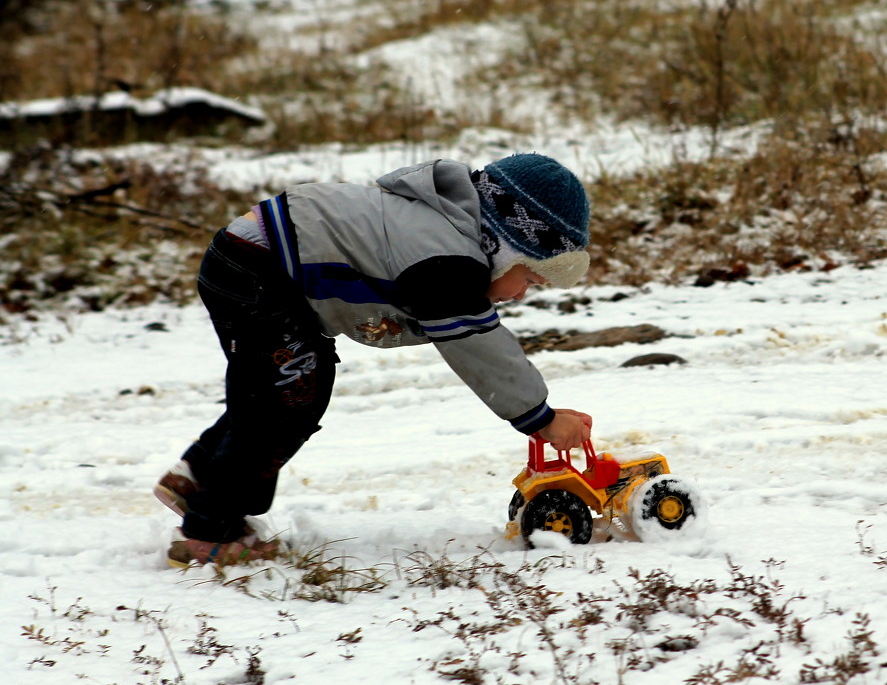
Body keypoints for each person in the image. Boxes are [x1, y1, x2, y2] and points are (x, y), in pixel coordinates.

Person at [154, 154, 594, 568]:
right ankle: (208, 532)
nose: (520, 294)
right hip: (258, 269)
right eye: (529, 278)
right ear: (504, 244)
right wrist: (541, 418)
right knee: (284, 402)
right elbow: (479, 347)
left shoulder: (445, 233)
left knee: (279, 389)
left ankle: (198, 479)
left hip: (258, 262)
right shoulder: (447, 261)